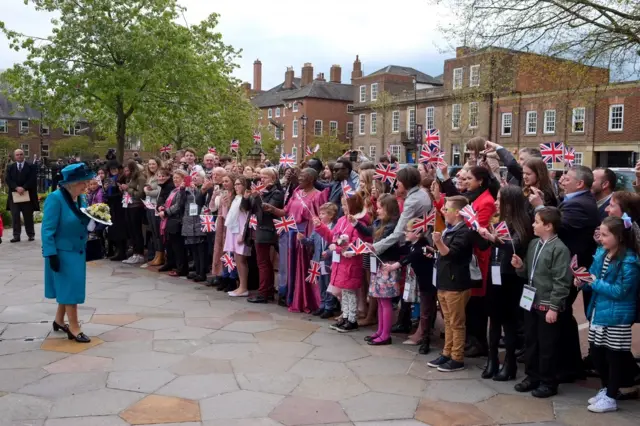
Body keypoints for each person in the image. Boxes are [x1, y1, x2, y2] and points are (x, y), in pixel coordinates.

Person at [578, 216, 639, 413]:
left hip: (617, 316)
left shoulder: (629, 261)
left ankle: (612, 395)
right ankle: (605, 389)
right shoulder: (602, 254)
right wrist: (582, 280)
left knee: (614, 356)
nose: (601, 238)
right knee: (597, 353)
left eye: (605, 235)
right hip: (598, 312)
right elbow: (592, 279)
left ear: (619, 237)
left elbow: (621, 291)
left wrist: (594, 282)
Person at [511, 207, 573, 398]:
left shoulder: (560, 249)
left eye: (537, 222)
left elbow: (562, 281)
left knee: (547, 345)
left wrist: (554, 307)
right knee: (531, 341)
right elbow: (528, 271)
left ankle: (548, 381)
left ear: (548, 226)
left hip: (547, 304)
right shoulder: (533, 244)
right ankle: (532, 376)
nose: (533, 225)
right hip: (530, 301)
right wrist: (520, 267)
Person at [477, 185, 532, 381]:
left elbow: (515, 244)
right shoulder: (499, 221)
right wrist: (484, 235)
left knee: (508, 322)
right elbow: (488, 245)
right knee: (493, 320)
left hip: (511, 278)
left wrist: (496, 239)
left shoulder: (522, 223)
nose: (496, 203)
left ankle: (510, 363)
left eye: (500, 199)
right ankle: (492, 360)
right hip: (495, 274)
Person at [427, 195, 487, 372]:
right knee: (448, 322)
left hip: (456, 283)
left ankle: (457, 357)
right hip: (444, 281)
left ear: (458, 213)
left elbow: (452, 253)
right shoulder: (449, 229)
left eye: (447, 209)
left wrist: (438, 243)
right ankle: (447, 353)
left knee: (456, 322)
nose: (444, 211)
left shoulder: (464, 232)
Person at [42, 163, 96, 343]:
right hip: (62, 252)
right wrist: (51, 255)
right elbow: (47, 230)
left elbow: (83, 220)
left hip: (77, 250)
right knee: (71, 289)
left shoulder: (80, 198)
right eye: (83, 182)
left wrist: (96, 221)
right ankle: (74, 328)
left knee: (68, 287)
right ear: (72, 183)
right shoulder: (55, 199)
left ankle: (59, 320)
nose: (86, 185)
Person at [266, 168, 327, 312]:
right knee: (289, 267)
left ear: (311, 179)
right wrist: (272, 209)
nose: (299, 179)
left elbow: (318, 219)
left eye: (303, 176)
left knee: (303, 267)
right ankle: (290, 296)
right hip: (290, 234)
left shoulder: (318, 196)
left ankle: (306, 299)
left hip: (305, 234)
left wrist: (311, 240)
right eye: (299, 176)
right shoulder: (297, 193)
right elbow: (285, 212)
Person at [314, 193, 369, 332]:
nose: (343, 207)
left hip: (351, 263)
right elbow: (333, 236)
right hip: (340, 263)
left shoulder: (358, 223)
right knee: (344, 292)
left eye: (346, 204)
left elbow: (355, 243)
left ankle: (352, 319)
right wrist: (321, 227)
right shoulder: (341, 220)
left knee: (350, 293)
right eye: (343, 204)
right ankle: (345, 316)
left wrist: (337, 248)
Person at [386, 217, 436, 354]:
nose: (405, 233)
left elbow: (411, 257)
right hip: (422, 282)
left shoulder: (422, 247)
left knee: (426, 312)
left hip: (429, 283)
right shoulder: (412, 244)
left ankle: (425, 340)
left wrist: (393, 266)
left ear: (418, 233)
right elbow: (401, 252)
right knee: (426, 311)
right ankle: (423, 335)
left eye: (408, 231)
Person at [244, 168, 285, 304]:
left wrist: (257, 197)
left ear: (273, 179)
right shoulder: (259, 192)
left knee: (264, 263)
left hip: (268, 229)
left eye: (265, 178)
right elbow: (247, 208)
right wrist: (247, 198)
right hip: (257, 229)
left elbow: (266, 211)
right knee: (263, 262)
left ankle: (264, 293)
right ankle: (266, 291)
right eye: (260, 177)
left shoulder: (277, 193)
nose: (261, 180)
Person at [364, 194, 401, 345]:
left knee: (385, 301)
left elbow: (381, 243)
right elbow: (369, 232)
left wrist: (372, 247)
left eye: (380, 208)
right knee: (380, 300)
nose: (377, 210)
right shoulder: (381, 223)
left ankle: (386, 334)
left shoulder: (391, 226)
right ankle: (380, 330)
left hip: (387, 266)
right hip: (379, 265)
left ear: (388, 209)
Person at [300, 202, 339, 318]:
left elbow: (337, 244)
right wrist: (302, 239)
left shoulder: (336, 228)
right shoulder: (317, 228)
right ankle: (322, 305)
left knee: (328, 283)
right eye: (320, 213)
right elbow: (310, 241)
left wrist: (329, 252)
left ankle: (329, 307)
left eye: (323, 214)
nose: (320, 216)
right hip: (318, 260)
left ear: (331, 215)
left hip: (329, 261)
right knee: (321, 283)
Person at [224, 177, 251, 296]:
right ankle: (240, 286)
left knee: (241, 260)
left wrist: (243, 234)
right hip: (233, 230)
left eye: (239, 184)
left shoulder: (246, 199)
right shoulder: (235, 198)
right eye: (235, 184)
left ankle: (244, 287)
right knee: (236, 259)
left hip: (241, 231)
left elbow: (247, 216)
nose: (236, 186)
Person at [4, 149, 38, 242]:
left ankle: (31, 234)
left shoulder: (31, 166)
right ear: (15, 157)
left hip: (27, 195)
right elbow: (8, 179)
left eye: (21, 154)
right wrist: (16, 187)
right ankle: (16, 236)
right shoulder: (10, 167)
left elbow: (32, 179)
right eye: (17, 155)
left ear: (24, 155)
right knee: (15, 216)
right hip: (14, 196)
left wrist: (24, 187)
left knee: (28, 216)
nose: (19, 156)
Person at [158, 170, 188, 277]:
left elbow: (179, 205)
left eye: (178, 178)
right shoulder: (174, 190)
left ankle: (181, 268)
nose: (175, 180)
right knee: (170, 244)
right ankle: (171, 263)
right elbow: (169, 202)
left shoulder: (182, 190)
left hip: (177, 220)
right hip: (170, 220)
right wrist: (162, 207)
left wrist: (166, 212)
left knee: (178, 246)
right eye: (174, 178)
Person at [181, 170, 208, 282]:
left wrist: (196, 190)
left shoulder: (204, 189)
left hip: (200, 220)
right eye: (193, 176)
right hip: (189, 221)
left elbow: (200, 201)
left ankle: (202, 272)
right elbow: (181, 202)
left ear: (203, 179)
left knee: (201, 248)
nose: (195, 178)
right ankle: (197, 271)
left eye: (197, 176)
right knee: (193, 248)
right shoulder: (187, 189)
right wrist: (182, 189)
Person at [121, 160, 146, 264]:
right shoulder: (129, 178)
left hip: (136, 206)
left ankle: (139, 253)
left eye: (127, 170)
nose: (125, 172)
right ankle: (135, 252)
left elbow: (140, 194)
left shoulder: (140, 178)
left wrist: (128, 189)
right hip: (129, 205)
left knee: (137, 231)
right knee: (131, 230)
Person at [103, 161, 127, 261]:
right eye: (112, 169)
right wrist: (105, 189)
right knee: (113, 229)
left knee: (120, 229)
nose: (113, 171)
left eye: (115, 169)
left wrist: (111, 195)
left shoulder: (121, 178)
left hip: (119, 206)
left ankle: (122, 252)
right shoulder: (109, 179)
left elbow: (121, 193)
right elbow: (107, 191)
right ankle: (116, 250)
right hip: (112, 205)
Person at [144, 158, 164, 267]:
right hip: (149, 206)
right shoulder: (150, 176)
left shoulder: (159, 175)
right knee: (153, 232)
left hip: (156, 206)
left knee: (157, 232)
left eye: (153, 164)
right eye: (150, 164)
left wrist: (147, 192)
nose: (151, 166)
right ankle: (157, 254)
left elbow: (158, 191)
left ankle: (160, 255)